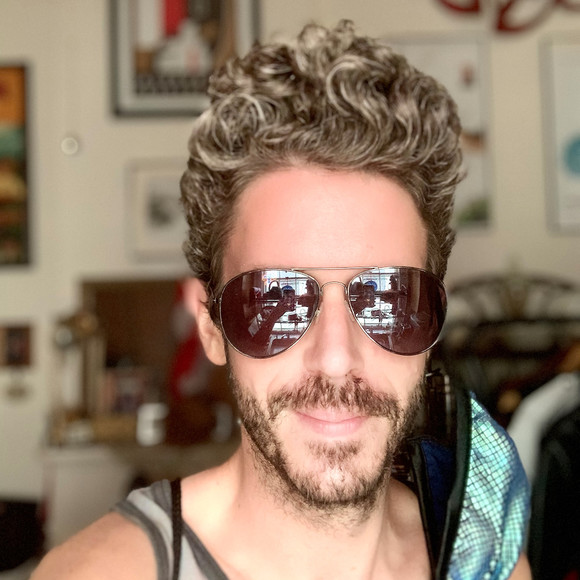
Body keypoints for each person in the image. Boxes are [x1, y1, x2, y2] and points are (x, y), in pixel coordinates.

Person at [33, 20, 530, 579]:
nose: (336, 359)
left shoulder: (486, 560)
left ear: (432, 319)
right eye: (276, 301)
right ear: (210, 326)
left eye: (387, 298)